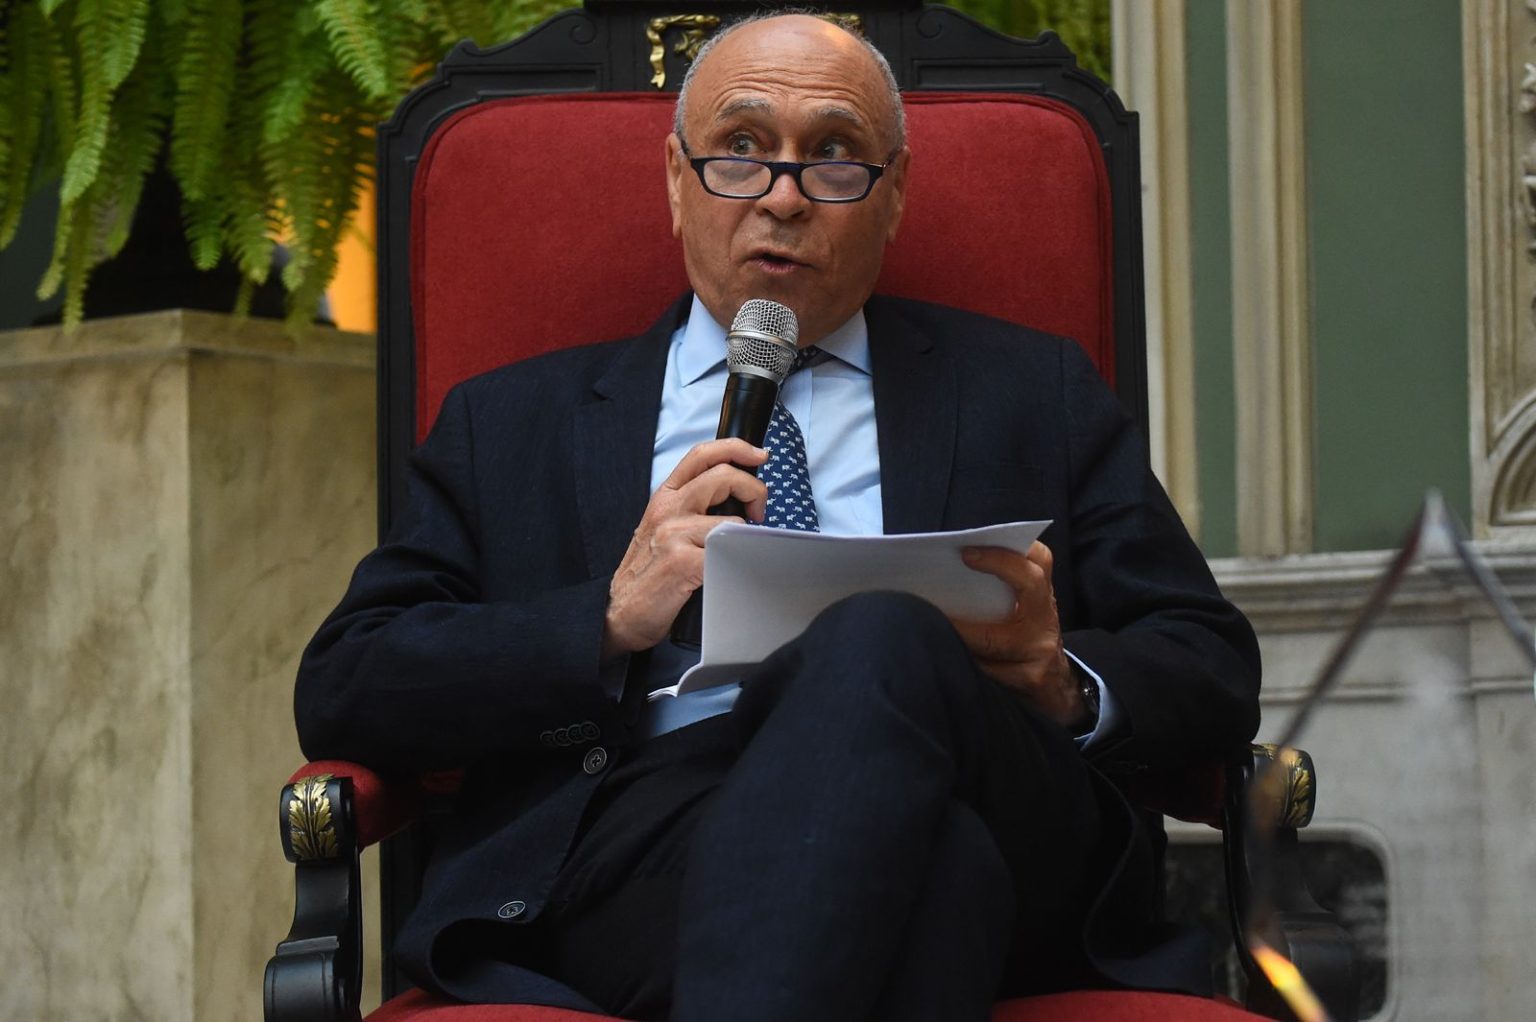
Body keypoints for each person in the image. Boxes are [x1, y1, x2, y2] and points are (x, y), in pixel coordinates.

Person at [295, 13, 1260, 1022]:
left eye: (835, 156)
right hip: (649, 832)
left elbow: (1210, 660)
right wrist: (608, 619)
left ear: (895, 193)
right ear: (677, 180)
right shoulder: (510, 423)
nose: (785, 197)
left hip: (993, 786)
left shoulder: (1032, 393)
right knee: (940, 881)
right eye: (741, 150)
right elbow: (348, 682)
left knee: (882, 635)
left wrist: (1060, 681)